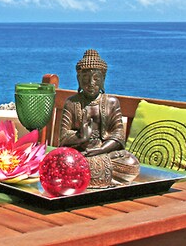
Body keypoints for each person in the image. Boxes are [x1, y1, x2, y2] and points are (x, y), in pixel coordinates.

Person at [59, 49, 140, 188]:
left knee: (131, 164)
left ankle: (82, 178)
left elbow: (118, 135)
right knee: (60, 162)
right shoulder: (71, 103)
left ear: (103, 79)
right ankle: (90, 176)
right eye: (85, 78)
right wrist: (80, 136)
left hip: (105, 153)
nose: (91, 83)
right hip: (80, 153)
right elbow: (62, 137)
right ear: (79, 79)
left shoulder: (111, 102)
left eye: (96, 78)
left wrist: (101, 149)